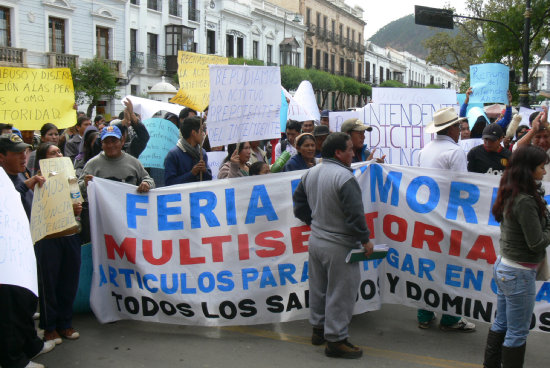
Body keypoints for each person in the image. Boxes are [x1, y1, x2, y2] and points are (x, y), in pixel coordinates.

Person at [293, 132, 373, 359]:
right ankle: (336, 340)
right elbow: (355, 215)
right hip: (340, 245)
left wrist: (315, 223)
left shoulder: (310, 173)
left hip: (317, 241)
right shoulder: (345, 178)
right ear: (338, 153)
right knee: (341, 292)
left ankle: (318, 330)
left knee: (319, 288)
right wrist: (365, 240)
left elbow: (299, 206)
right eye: (349, 149)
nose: (352, 153)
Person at [483, 145, 550, 368]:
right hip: (518, 273)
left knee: (502, 323)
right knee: (518, 332)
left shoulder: (512, 191)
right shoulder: (525, 200)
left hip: (505, 267)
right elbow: (537, 242)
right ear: (528, 170)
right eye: (541, 167)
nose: (545, 171)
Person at [417, 107, 476, 331]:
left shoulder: (425, 150)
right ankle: (450, 318)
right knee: (451, 268)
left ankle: (424, 313)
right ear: (451, 129)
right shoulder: (455, 152)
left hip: (427, 215)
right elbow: (463, 188)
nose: (460, 131)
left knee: (429, 265)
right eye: (458, 126)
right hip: (449, 217)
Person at [0, 133, 55, 368]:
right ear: (1, 157)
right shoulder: (9, 181)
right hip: (8, 258)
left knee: (26, 302)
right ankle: (14, 361)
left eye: (25, 151)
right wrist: (24, 187)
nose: (24, 156)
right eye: (16, 153)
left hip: (25, 249)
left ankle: (31, 345)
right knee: (10, 309)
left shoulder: (20, 175)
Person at [33, 142, 83, 345]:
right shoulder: (37, 180)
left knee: (68, 281)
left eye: (59, 151)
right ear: (43, 159)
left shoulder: (69, 176)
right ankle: (49, 327)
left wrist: (77, 207)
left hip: (70, 234)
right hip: (48, 238)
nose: (59, 154)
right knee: (49, 284)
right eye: (53, 153)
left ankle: (65, 323)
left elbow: (76, 201)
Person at [78, 125, 154, 199]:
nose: (110, 145)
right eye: (106, 142)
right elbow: (77, 190)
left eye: (114, 141)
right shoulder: (92, 164)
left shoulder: (134, 162)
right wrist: (85, 184)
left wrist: (147, 184)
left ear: (122, 141)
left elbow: (149, 180)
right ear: (102, 144)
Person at [164, 116, 212, 185]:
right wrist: (191, 174)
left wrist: (204, 171)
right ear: (194, 133)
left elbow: (209, 179)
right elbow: (169, 183)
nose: (203, 134)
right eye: (201, 130)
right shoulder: (174, 155)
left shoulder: (202, 153)